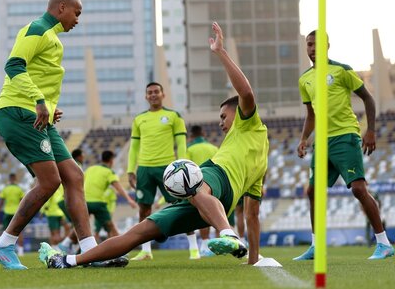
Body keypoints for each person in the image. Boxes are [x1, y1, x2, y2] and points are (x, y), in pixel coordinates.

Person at [39, 21, 268, 268]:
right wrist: (253, 261)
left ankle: (227, 233)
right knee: (139, 232)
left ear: (239, 112)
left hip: (216, 178)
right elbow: (252, 213)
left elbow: (246, 93)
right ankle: (69, 260)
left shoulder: (249, 124)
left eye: (224, 116)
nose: (221, 123)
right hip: (212, 202)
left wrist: (221, 52)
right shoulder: (261, 159)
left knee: (194, 183)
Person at [0, 0, 126, 269]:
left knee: (74, 175)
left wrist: (48, 108)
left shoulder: (52, 38)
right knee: (50, 182)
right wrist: (39, 101)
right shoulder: (37, 29)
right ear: (61, 8)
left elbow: (37, 76)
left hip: (38, 117)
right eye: (77, 13)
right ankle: (3, 244)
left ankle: (90, 252)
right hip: (17, 112)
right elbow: (14, 66)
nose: (78, 20)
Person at [293, 30, 395, 260]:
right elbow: (311, 114)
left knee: (359, 190)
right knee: (313, 192)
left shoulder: (341, 70)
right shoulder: (305, 79)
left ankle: (384, 243)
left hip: (345, 136)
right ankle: (316, 246)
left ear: (327, 46)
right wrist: (303, 139)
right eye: (308, 45)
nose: (311, 48)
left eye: (316, 44)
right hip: (321, 142)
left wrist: (370, 130)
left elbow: (368, 98)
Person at [127, 81, 200, 261]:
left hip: (168, 168)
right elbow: (134, 146)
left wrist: (182, 163)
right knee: (144, 209)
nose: (153, 95)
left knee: (184, 205)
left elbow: (181, 142)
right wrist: (130, 169)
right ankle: (146, 251)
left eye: (156, 92)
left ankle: (194, 248)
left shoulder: (174, 116)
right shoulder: (139, 119)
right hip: (144, 168)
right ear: (146, 96)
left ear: (163, 94)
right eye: (150, 92)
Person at [185, 125, 220, 257]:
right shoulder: (214, 148)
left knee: (200, 213)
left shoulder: (190, 149)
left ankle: (204, 245)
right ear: (203, 133)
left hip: (195, 185)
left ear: (192, 136)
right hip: (213, 182)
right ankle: (218, 242)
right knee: (214, 210)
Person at [0, 173, 25, 256]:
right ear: (15, 178)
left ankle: (4, 250)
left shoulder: (5, 189)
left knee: (6, 232)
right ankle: (21, 251)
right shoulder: (19, 189)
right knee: (19, 232)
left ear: (9, 179)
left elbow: (1, 202)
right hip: (16, 213)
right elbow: (22, 202)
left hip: (7, 213)